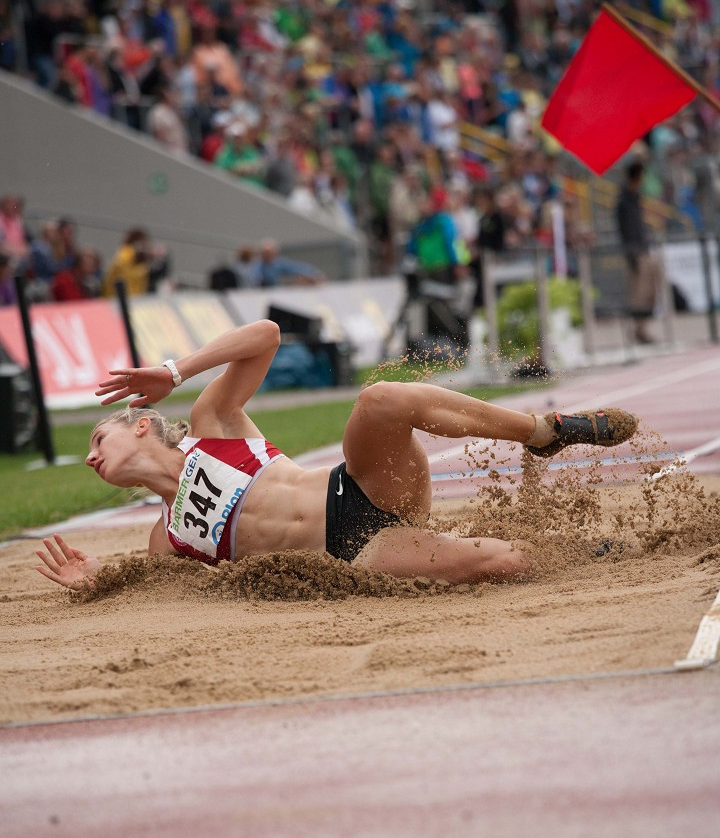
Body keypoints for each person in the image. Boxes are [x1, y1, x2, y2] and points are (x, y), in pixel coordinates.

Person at [35, 320, 639, 593]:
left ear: (142, 427)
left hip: (362, 489)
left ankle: (540, 430)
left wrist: (176, 370)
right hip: (353, 554)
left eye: (96, 440)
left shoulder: (210, 426)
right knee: (503, 565)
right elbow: (147, 588)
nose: (89, 457)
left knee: (380, 400)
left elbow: (266, 336)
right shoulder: (166, 538)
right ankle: (585, 554)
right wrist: (90, 584)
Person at [616, 161, 659, 344]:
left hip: (643, 249)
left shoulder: (634, 197)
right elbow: (626, 230)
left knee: (651, 291)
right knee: (639, 294)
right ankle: (639, 329)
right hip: (635, 251)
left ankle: (643, 328)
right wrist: (631, 253)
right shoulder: (624, 200)